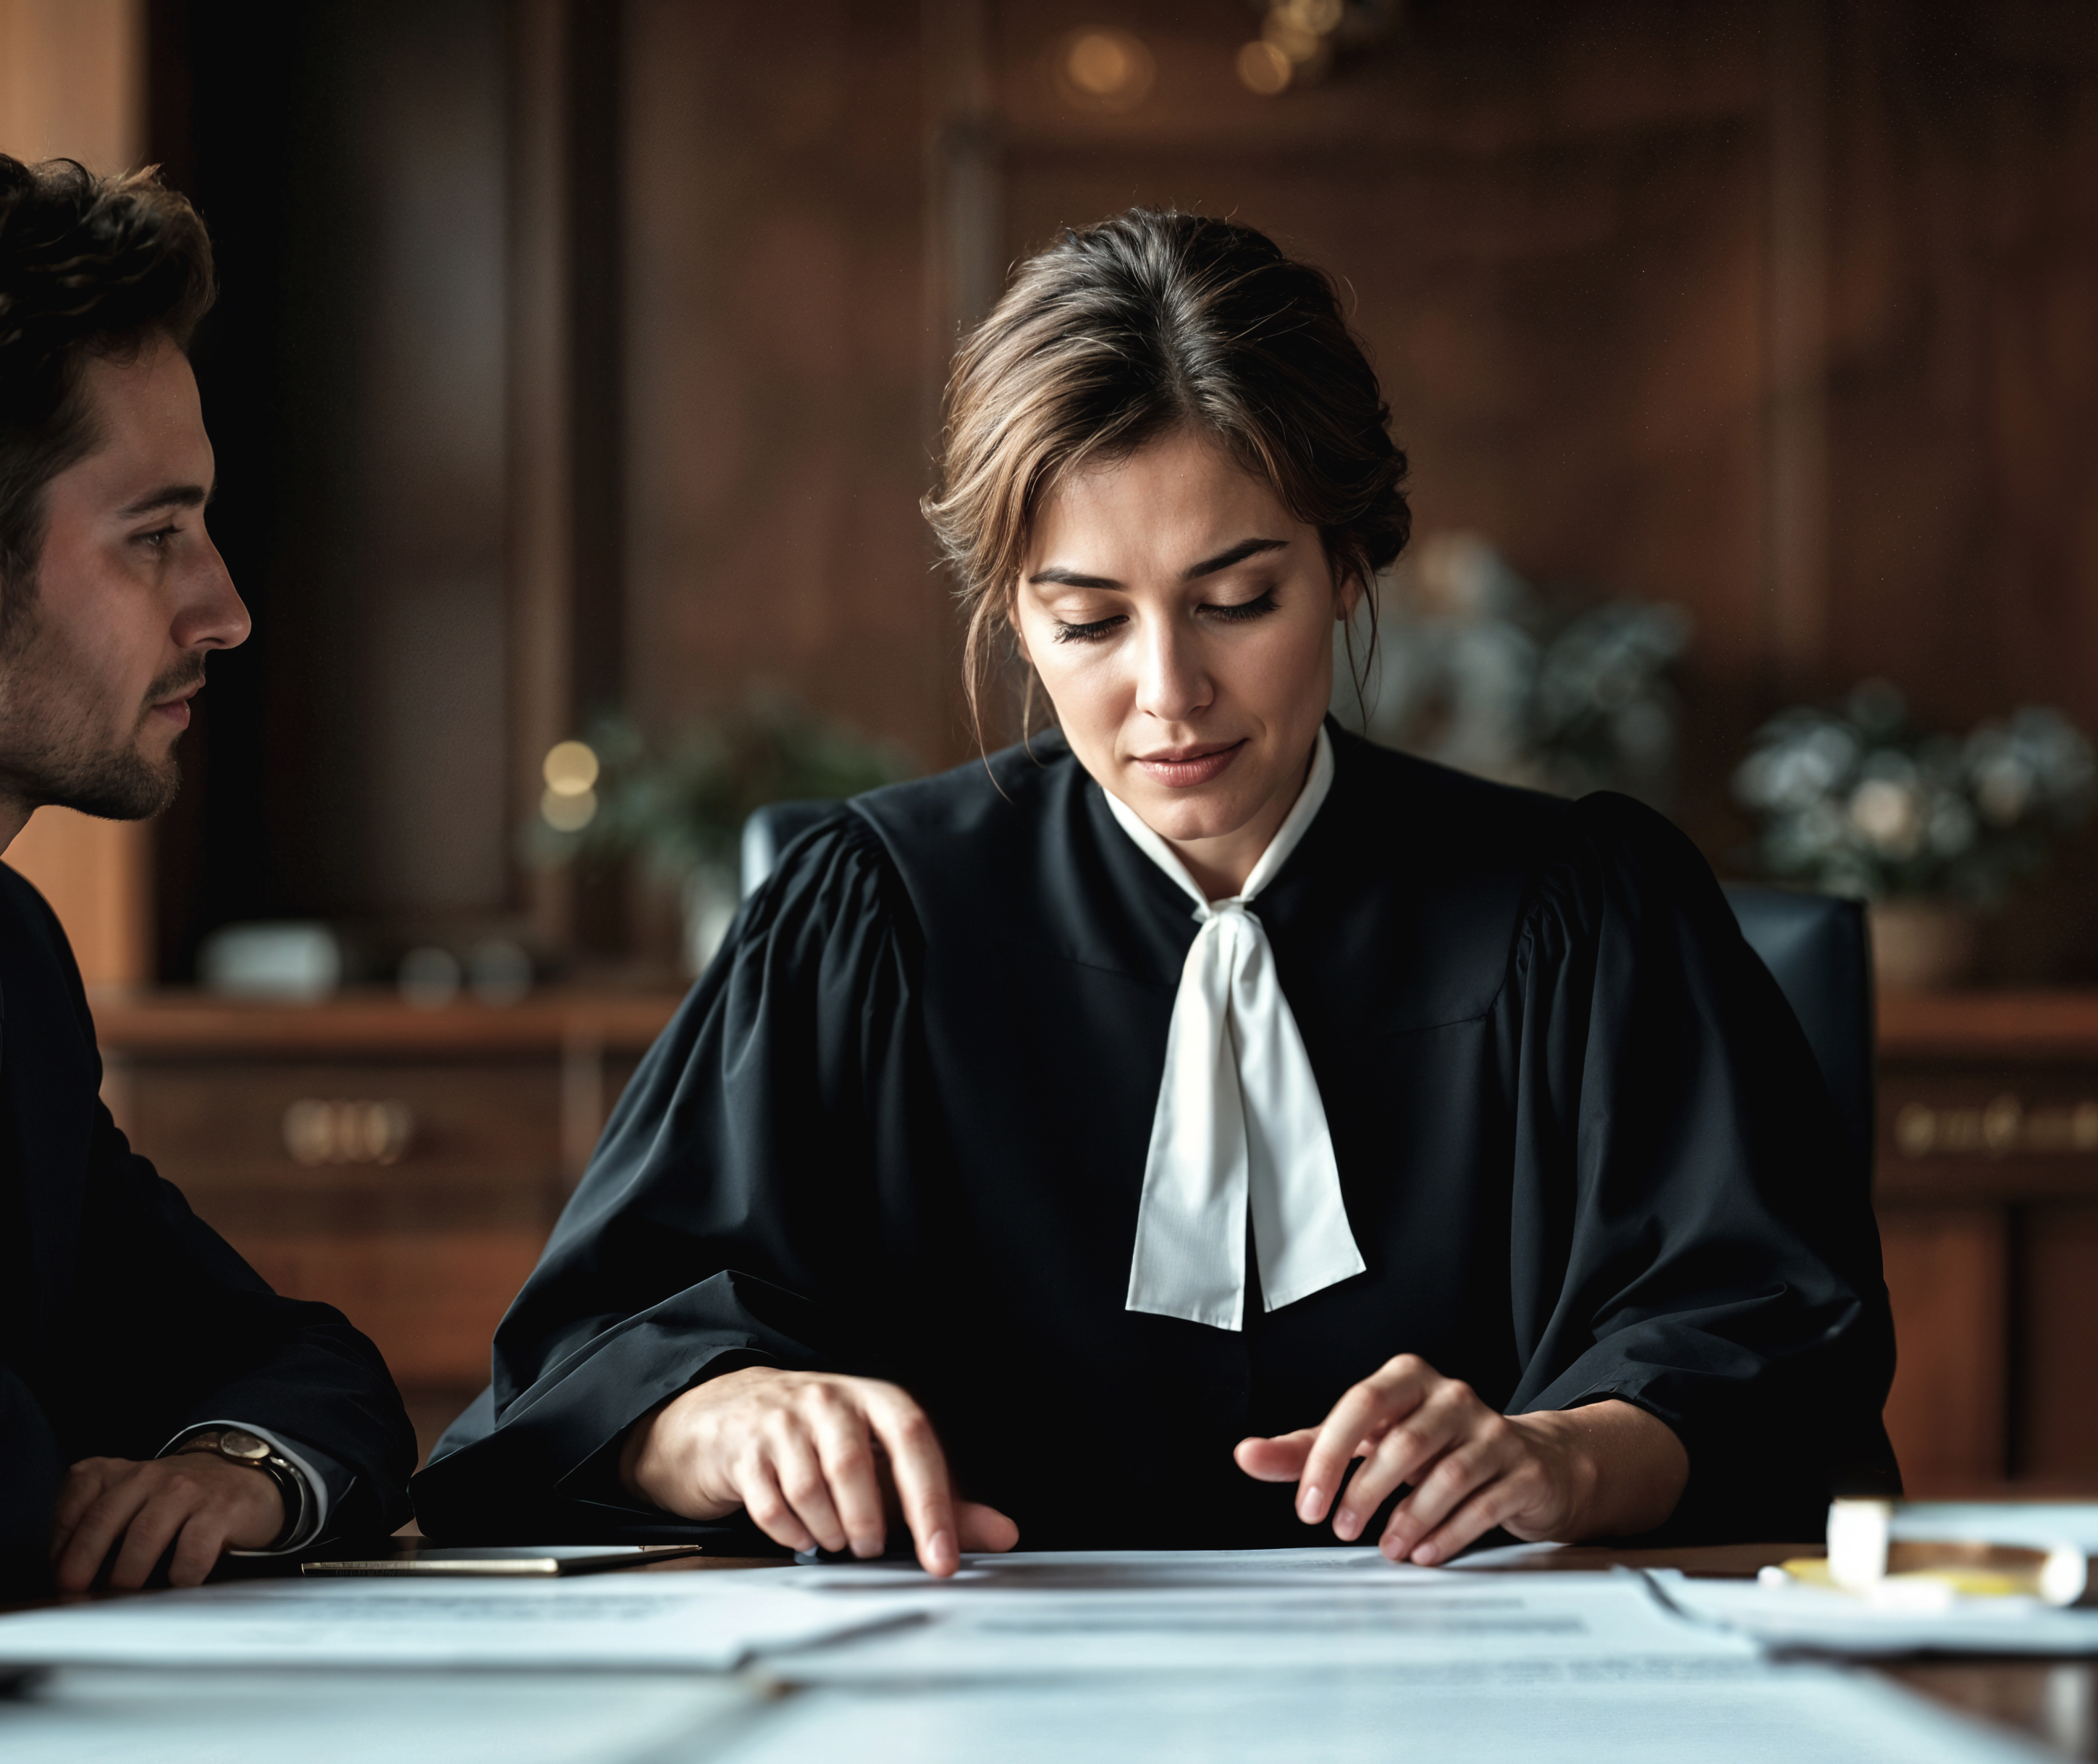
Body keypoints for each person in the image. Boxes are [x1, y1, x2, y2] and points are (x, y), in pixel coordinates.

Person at [416, 210, 1896, 1574]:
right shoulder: (863, 914)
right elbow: (570, 1379)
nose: (1167, 694)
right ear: (1010, 611)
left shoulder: (1583, 912)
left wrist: (1564, 1458)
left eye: (1237, 600)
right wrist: (722, 1423)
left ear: (1349, 566)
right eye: (1086, 619)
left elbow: (1779, 1360)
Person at [0, 132, 415, 1606]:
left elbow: (305, 1369)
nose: (222, 610)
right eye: (155, 537)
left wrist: (234, 1467)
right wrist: (80, 1446)